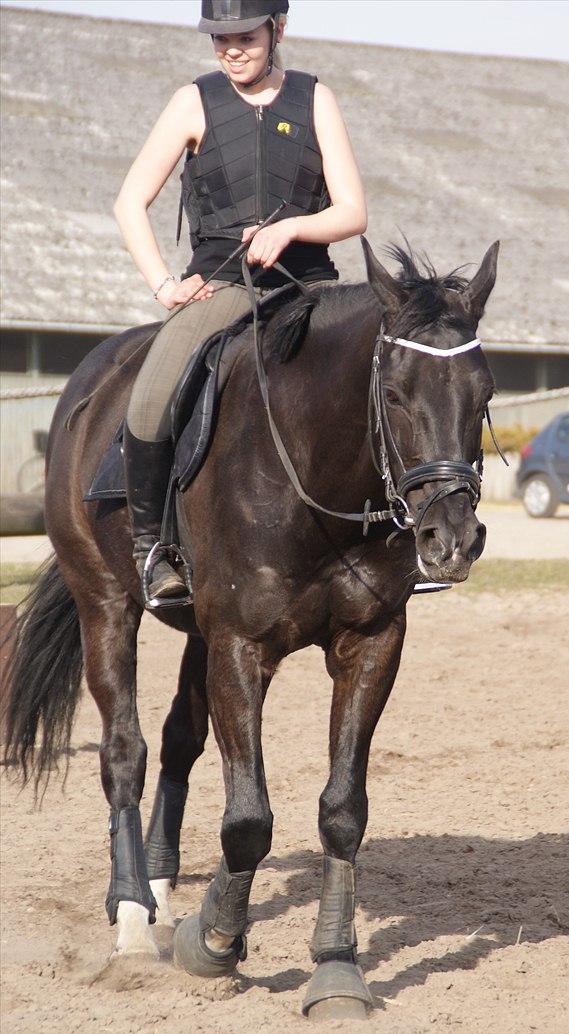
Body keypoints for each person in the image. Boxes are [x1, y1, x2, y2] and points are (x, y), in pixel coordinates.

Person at [113, 0, 367, 602]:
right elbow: (129, 203)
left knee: (389, 376)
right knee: (148, 401)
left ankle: (401, 533)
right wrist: (163, 285)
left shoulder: (316, 99)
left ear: (279, 30)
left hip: (309, 286)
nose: (231, 49)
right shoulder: (192, 101)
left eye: (245, 37)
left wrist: (292, 228)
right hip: (224, 285)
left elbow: (353, 211)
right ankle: (152, 549)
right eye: (219, 38)